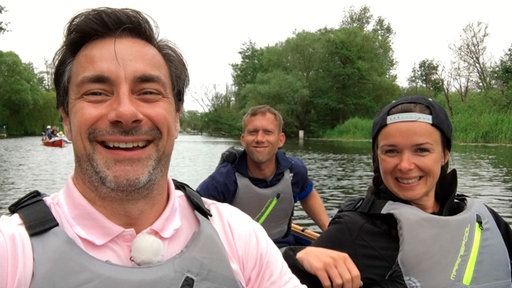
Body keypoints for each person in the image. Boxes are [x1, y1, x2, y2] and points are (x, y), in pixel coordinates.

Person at [0, 7, 306, 288]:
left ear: (176, 117)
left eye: (147, 92)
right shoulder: (11, 251)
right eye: (96, 92)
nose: (125, 112)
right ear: (66, 118)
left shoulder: (240, 237)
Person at [283, 95, 512, 287]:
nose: (405, 165)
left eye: (421, 150)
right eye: (391, 151)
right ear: (377, 157)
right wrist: (297, 257)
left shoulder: (486, 218)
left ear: (444, 154)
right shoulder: (353, 230)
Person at [197, 105, 330, 247]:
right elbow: (193, 213)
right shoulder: (224, 179)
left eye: (267, 132)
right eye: (253, 132)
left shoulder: (295, 171)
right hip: (242, 257)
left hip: (283, 249)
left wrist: (329, 232)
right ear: (243, 139)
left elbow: (308, 195)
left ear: (280, 139)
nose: (260, 138)